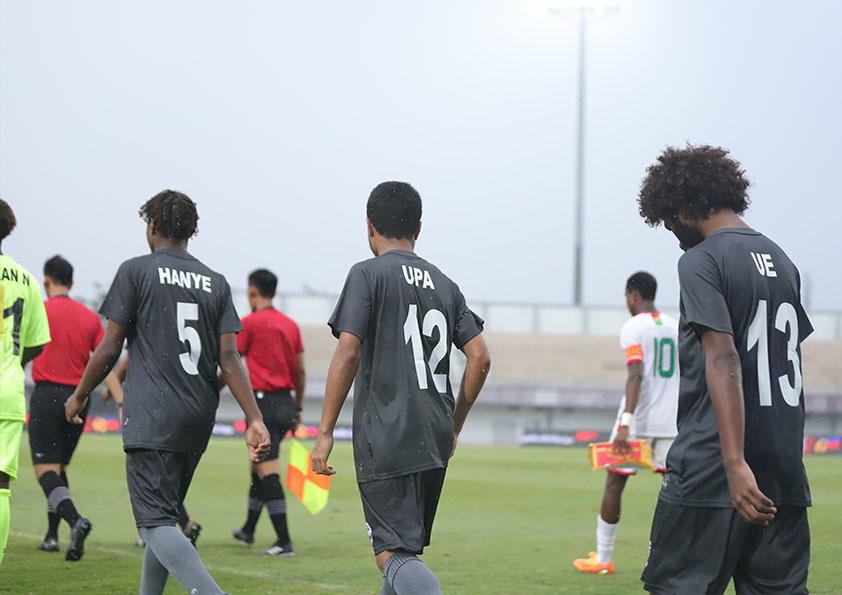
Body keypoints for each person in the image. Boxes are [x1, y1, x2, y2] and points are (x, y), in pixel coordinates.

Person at [65, 190, 270, 594]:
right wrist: (255, 418)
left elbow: (110, 346)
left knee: (155, 523)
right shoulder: (216, 281)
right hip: (197, 417)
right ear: (190, 230)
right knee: (162, 515)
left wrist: (79, 393)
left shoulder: (136, 271)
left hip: (152, 417)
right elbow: (229, 359)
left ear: (152, 226)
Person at [637, 145, 812, 594]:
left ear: (681, 208)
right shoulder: (784, 261)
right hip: (783, 467)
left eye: (669, 222)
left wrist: (733, 463)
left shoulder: (701, 260)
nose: (674, 235)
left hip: (714, 468)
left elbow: (723, 356)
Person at [311, 181, 491, 595]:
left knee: (390, 554)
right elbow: (480, 357)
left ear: (369, 226)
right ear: (419, 228)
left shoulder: (367, 274)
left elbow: (347, 352)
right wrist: (456, 425)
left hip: (387, 433)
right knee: (404, 549)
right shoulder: (446, 284)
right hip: (434, 434)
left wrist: (323, 434)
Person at [573, 272, 678, 575]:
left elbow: (636, 374)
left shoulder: (633, 327)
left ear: (633, 295)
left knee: (615, 482)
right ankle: (658, 561)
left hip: (639, 421)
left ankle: (604, 558)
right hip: (671, 422)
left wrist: (626, 422)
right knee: (671, 491)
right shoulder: (674, 326)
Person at [29, 255, 120, 558]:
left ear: (46, 281)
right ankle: (52, 537)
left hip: (46, 395)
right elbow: (106, 360)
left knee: (45, 471)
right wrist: (120, 399)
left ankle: (75, 521)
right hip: (80, 399)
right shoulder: (89, 317)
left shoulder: (39, 311)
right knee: (60, 468)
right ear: (72, 281)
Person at [231, 268, 305, 555]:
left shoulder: (249, 323)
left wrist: (212, 391)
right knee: (257, 467)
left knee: (268, 469)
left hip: (263, 406)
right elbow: (299, 369)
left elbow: (232, 363)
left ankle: (284, 541)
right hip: (285, 403)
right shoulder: (290, 325)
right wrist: (297, 407)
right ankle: (248, 530)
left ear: (252, 291)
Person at [102, 354, 202, 549]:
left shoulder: (148, 335)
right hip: (183, 410)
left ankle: (155, 531)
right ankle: (181, 524)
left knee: (150, 481)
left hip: (150, 413)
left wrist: (113, 393)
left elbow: (123, 364)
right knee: (167, 481)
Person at [0, 199, 52, 566]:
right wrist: (11, 364)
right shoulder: (27, 279)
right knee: (0, 485)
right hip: (8, 390)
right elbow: (35, 342)